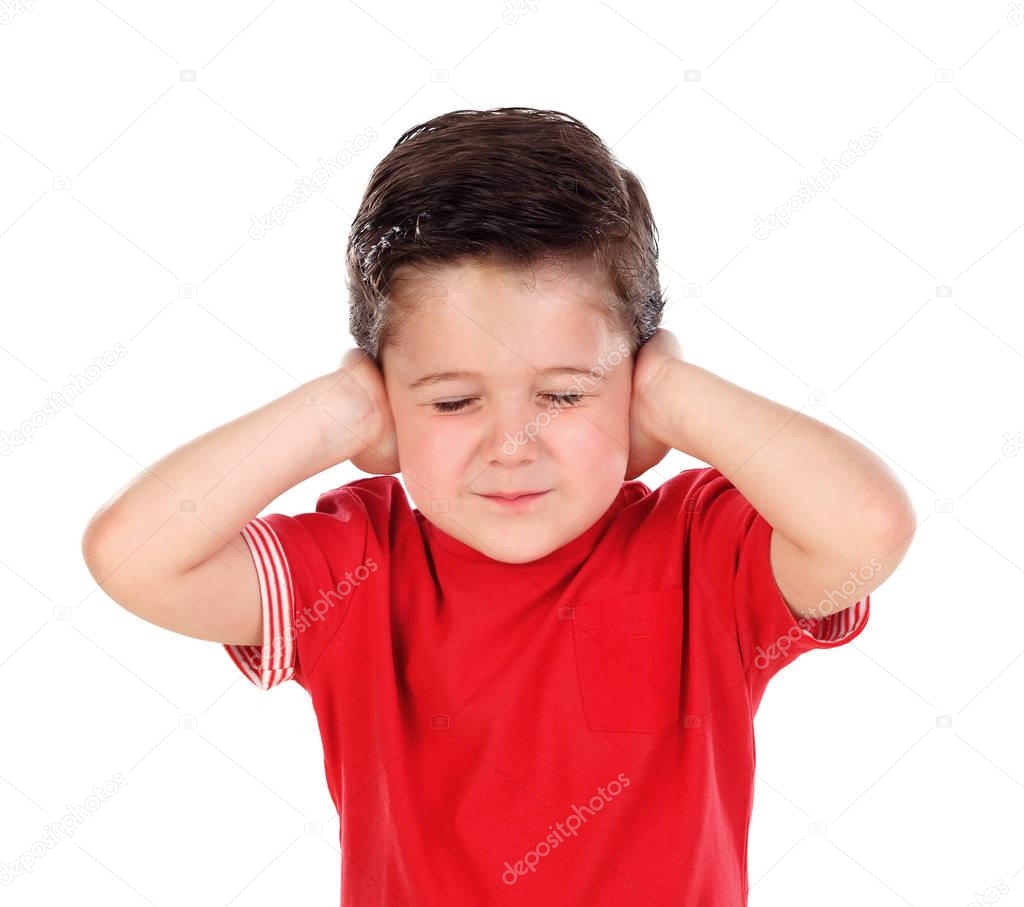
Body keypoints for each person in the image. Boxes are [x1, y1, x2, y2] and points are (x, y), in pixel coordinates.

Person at [81, 107, 916, 905]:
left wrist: (672, 389)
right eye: (451, 402)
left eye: (562, 394)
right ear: (387, 397)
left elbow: (868, 530)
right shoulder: (356, 566)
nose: (510, 446)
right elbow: (134, 555)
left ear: (633, 387)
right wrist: (337, 410)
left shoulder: (704, 548)